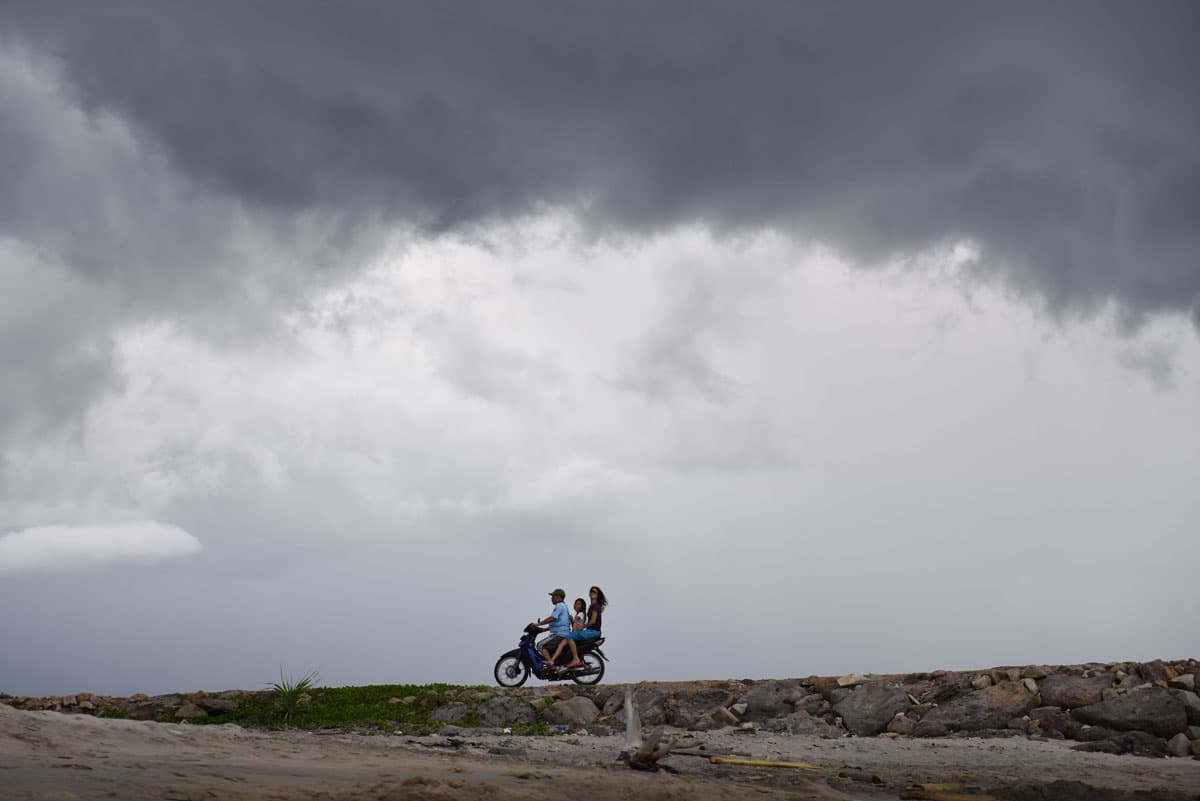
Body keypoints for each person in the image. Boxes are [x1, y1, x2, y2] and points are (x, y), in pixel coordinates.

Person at [548, 585, 607, 668]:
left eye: (594, 592)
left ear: (598, 595)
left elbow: (593, 620)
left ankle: (576, 659)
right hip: (590, 631)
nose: (592, 593)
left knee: (569, 636)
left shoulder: (595, 606)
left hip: (593, 632)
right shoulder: (591, 606)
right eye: (591, 591)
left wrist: (583, 626)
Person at [533, 588, 572, 668]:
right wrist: (544, 629)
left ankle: (551, 665)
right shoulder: (563, 606)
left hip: (560, 634)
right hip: (561, 633)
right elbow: (558, 623)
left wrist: (538, 624)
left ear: (558, 597)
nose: (551, 598)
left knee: (540, 645)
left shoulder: (559, 606)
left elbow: (552, 618)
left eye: (552, 596)